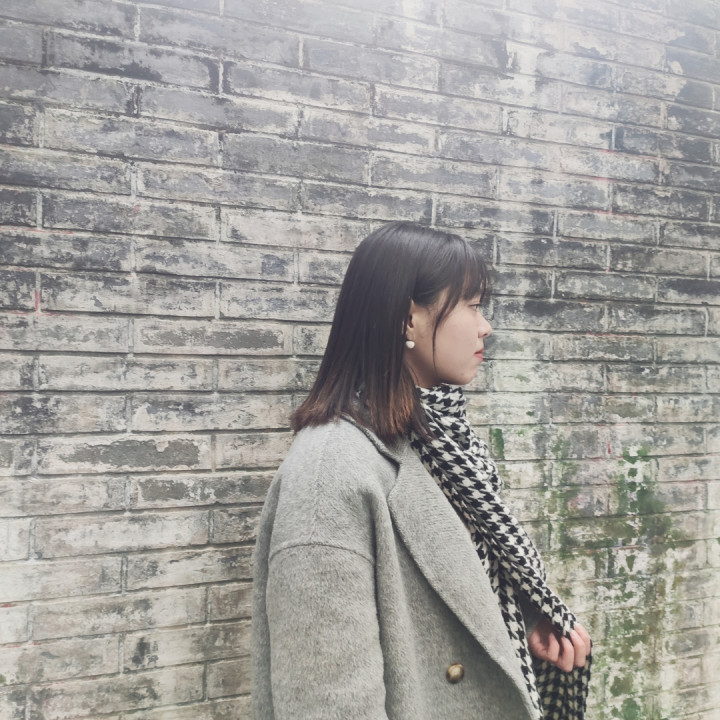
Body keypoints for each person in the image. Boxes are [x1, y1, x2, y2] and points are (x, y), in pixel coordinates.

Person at [251, 221, 592, 720]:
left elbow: (445, 593)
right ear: (409, 320)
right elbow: (328, 701)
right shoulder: (329, 473)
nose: (485, 327)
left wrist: (513, 625)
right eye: (472, 306)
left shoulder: (442, 446)